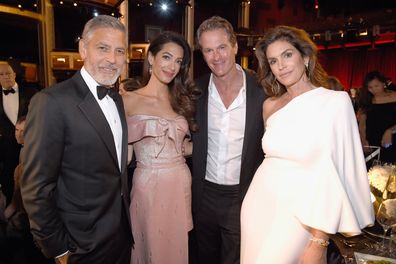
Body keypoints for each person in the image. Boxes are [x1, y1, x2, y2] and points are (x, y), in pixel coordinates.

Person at [240, 25, 374, 264]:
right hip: (258, 205)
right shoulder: (269, 105)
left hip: (303, 216)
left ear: (305, 57)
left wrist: (319, 240)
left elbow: (334, 173)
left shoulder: (335, 103)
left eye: (287, 55)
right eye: (273, 61)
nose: (281, 65)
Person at [20, 15, 133, 264]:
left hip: (121, 238)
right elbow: (35, 187)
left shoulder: (117, 99)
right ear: (83, 48)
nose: (112, 59)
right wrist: (58, 248)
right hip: (80, 246)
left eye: (119, 51)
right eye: (103, 48)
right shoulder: (52, 102)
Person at [191, 16, 266, 264]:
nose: (216, 56)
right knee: (204, 257)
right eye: (208, 50)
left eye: (222, 47)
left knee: (237, 259)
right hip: (204, 194)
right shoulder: (195, 92)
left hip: (242, 194)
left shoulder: (263, 89)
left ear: (235, 46)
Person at [122, 31, 200, 264]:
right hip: (148, 187)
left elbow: (188, 148)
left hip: (180, 182)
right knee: (149, 250)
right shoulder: (127, 100)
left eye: (179, 61)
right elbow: (123, 157)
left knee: (176, 251)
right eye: (166, 57)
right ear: (151, 58)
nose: (172, 66)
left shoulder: (183, 99)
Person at [0, 62, 36, 205]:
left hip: (30, 145)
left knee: (31, 179)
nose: (5, 77)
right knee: (9, 180)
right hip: (6, 148)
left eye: (8, 73)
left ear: (14, 74)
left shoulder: (31, 92)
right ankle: (12, 209)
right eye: (1, 74)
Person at [358, 71, 396, 164]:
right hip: (372, 143)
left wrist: (390, 130)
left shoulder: (395, 96)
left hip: (392, 140)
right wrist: (363, 140)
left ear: (383, 83)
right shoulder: (366, 99)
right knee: (374, 174)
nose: (374, 90)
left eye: (376, 86)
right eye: (370, 87)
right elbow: (362, 123)